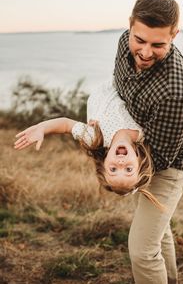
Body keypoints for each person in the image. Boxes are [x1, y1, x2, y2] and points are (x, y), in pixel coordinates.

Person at [113, 0, 183, 284]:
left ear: (174, 35)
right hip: (142, 145)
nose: (145, 52)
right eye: (140, 40)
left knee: (141, 248)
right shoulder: (126, 42)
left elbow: (159, 160)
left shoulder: (176, 90)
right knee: (157, 231)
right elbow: (119, 87)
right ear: (130, 26)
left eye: (158, 45)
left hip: (169, 163)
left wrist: (115, 153)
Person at [14, 80, 164, 209]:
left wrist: (42, 128)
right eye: (128, 169)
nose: (120, 163)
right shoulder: (145, 134)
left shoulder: (96, 138)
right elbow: (167, 120)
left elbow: (66, 125)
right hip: (131, 85)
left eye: (113, 169)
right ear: (139, 162)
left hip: (108, 88)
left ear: (104, 163)